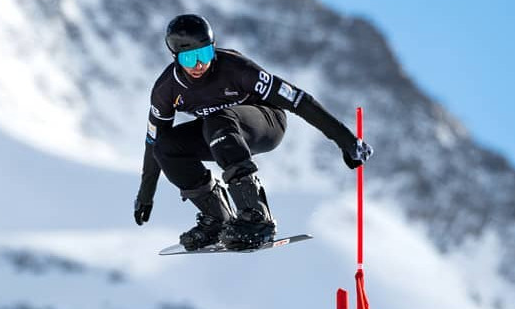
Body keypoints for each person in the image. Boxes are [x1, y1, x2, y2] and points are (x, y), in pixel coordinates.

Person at [133, 14, 373, 251]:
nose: (199, 65)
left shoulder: (236, 68)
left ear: (213, 48)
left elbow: (298, 100)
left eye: (205, 54)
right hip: (220, 135)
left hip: (267, 122)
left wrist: (346, 140)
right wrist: (146, 195)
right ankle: (218, 219)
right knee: (166, 146)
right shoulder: (166, 89)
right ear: (175, 57)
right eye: (189, 58)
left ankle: (255, 215)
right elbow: (153, 140)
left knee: (218, 119)